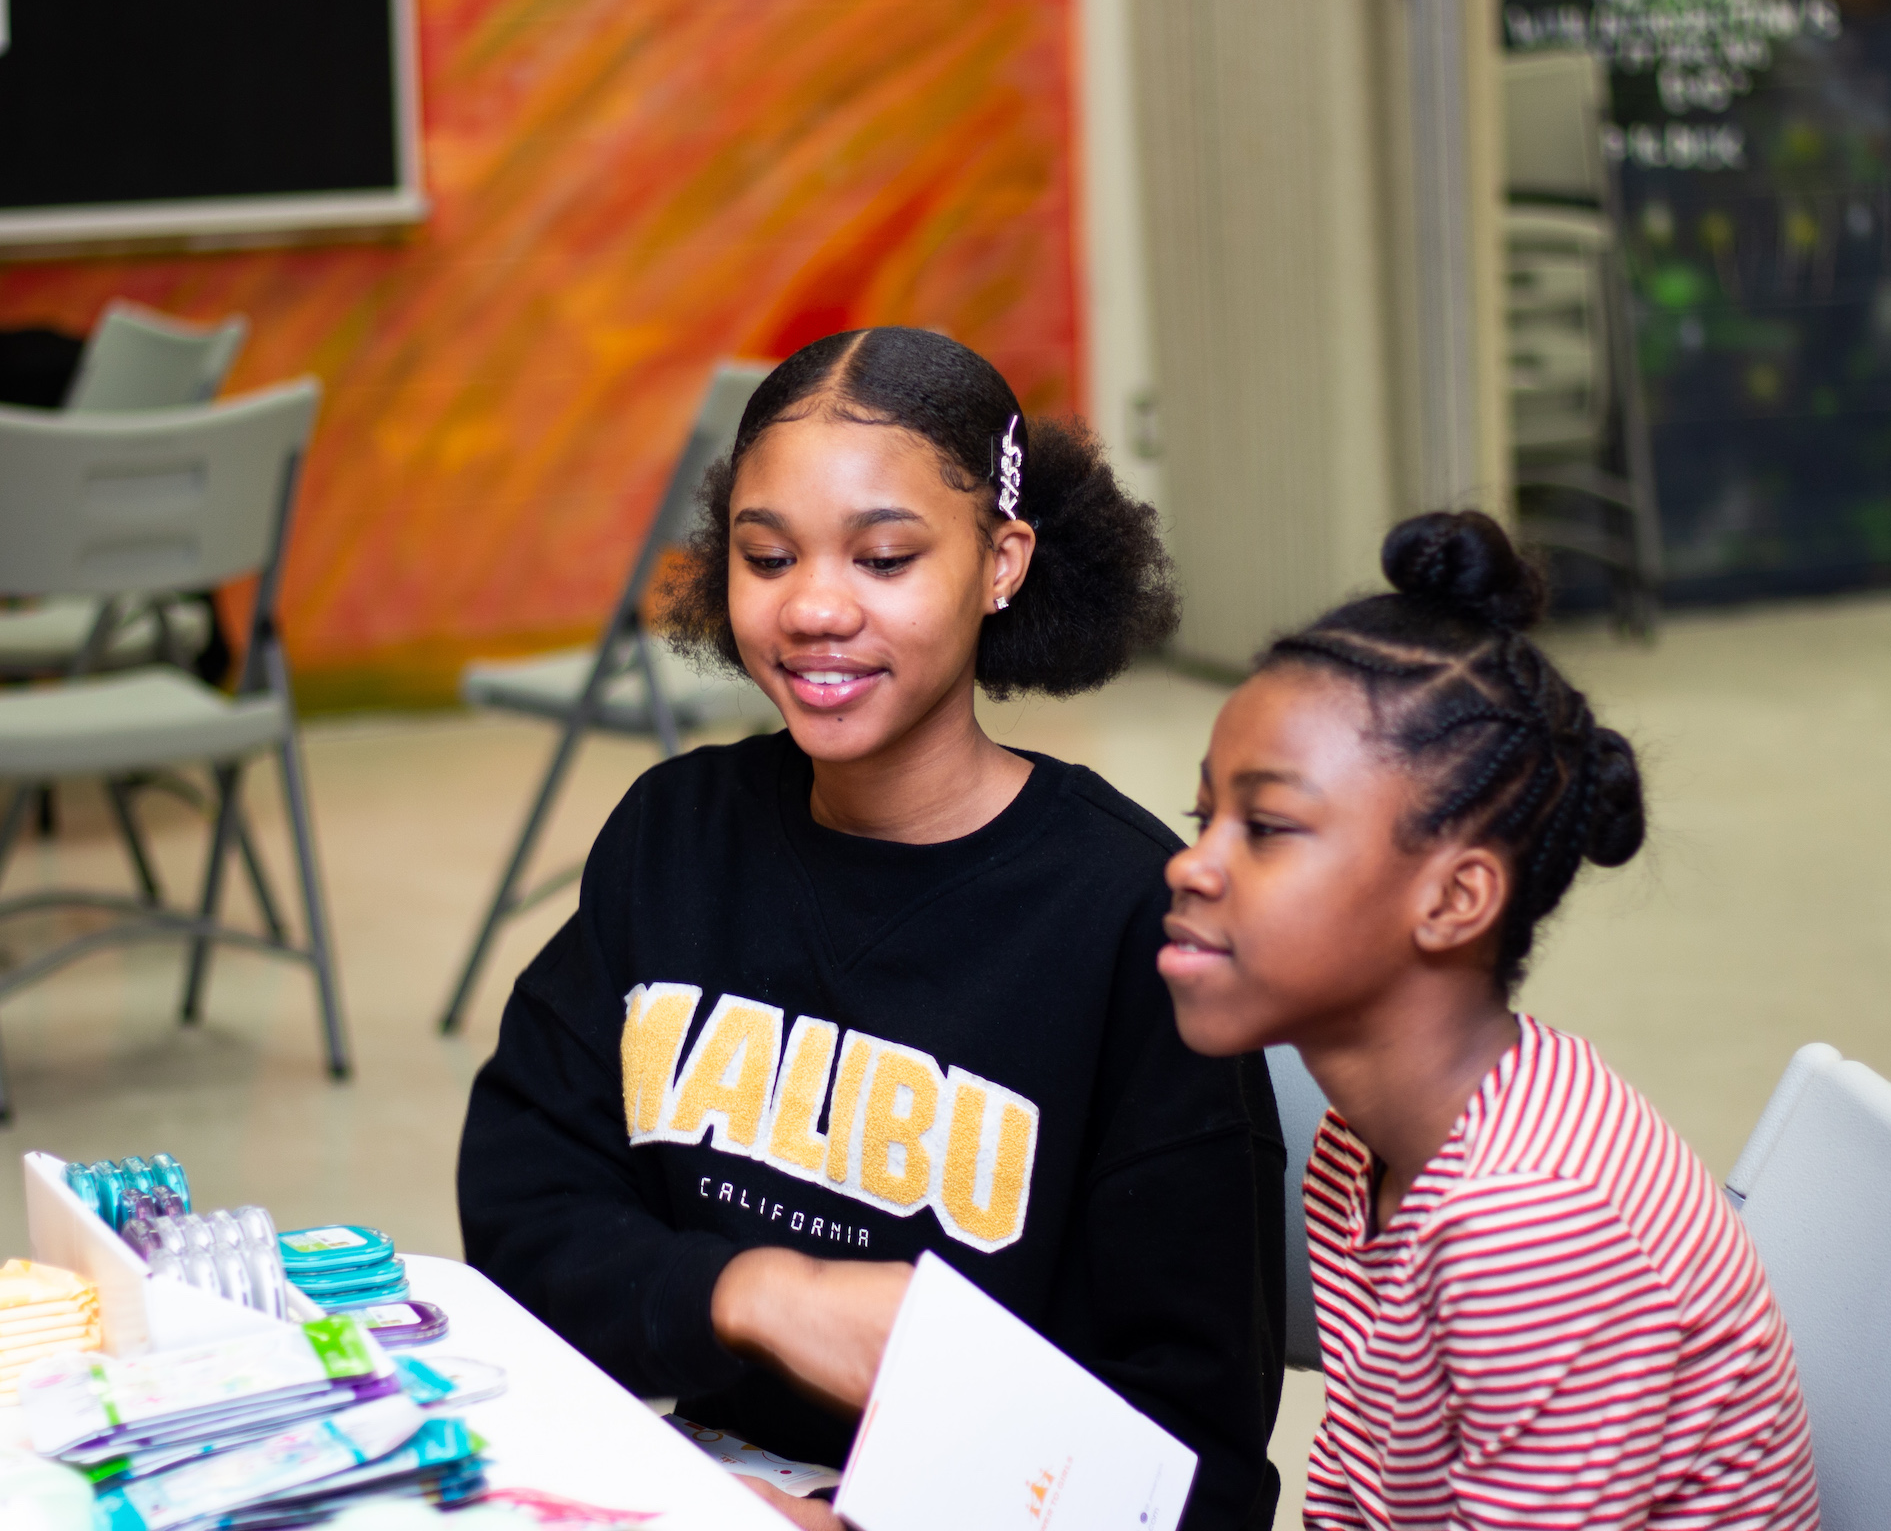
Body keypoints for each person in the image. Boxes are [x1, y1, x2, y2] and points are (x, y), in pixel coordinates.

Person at [458, 328, 1287, 1530]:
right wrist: (765, 1293)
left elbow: (1188, 1451)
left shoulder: (1133, 924)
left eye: (886, 557)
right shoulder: (674, 835)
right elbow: (526, 1220)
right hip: (684, 1480)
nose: (814, 608)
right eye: (767, 556)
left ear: (1002, 563)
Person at [1159, 511, 1820, 1530]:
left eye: (1269, 828)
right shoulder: (1361, 1147)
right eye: (1209, 821)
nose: (1191, 864)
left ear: (1455, 900)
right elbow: (1359, 1478)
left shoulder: (1531, 1225)